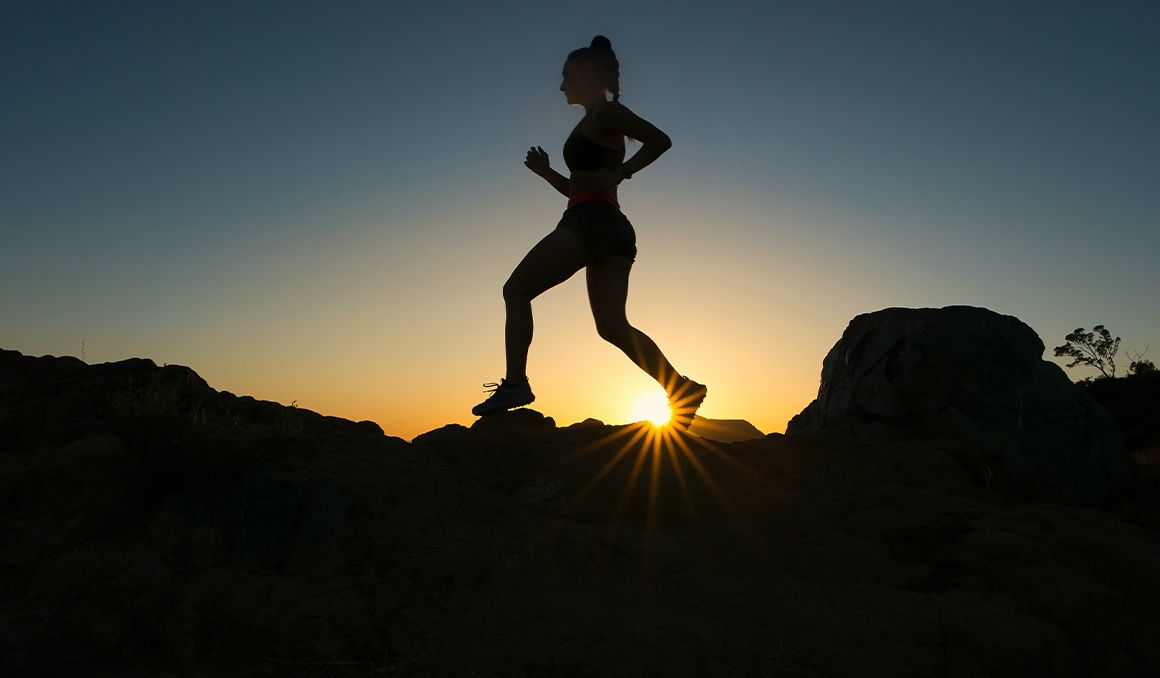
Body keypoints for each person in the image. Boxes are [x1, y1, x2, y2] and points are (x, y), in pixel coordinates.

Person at [472, 34, 707, 431]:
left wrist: (623, 171)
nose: (561, 86)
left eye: (566, 77)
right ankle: (681, 388)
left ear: (586, 73)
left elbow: (659, 140)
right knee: (612, 326)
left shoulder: (604, 114)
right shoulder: (593, 120)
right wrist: (547, 173)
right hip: (609, 226)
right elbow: (579, 188)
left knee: (516, 290)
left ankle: (515, 385)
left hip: (591, 222)